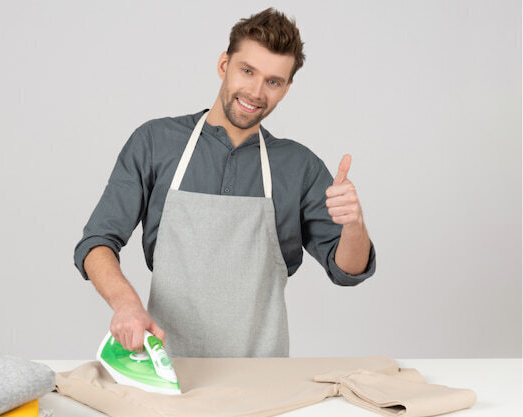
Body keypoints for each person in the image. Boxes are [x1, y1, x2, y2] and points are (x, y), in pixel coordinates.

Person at [74, 8, 376, 358]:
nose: (256, 91)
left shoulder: (300, 167)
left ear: (286, 88)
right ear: (224, 65)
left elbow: (348, 271)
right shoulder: (155, 142)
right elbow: (96, 241)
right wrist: (126, 304)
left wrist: (354, 224)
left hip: (262, 377)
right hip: (169, 367)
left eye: (273, 81)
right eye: (247, 71)